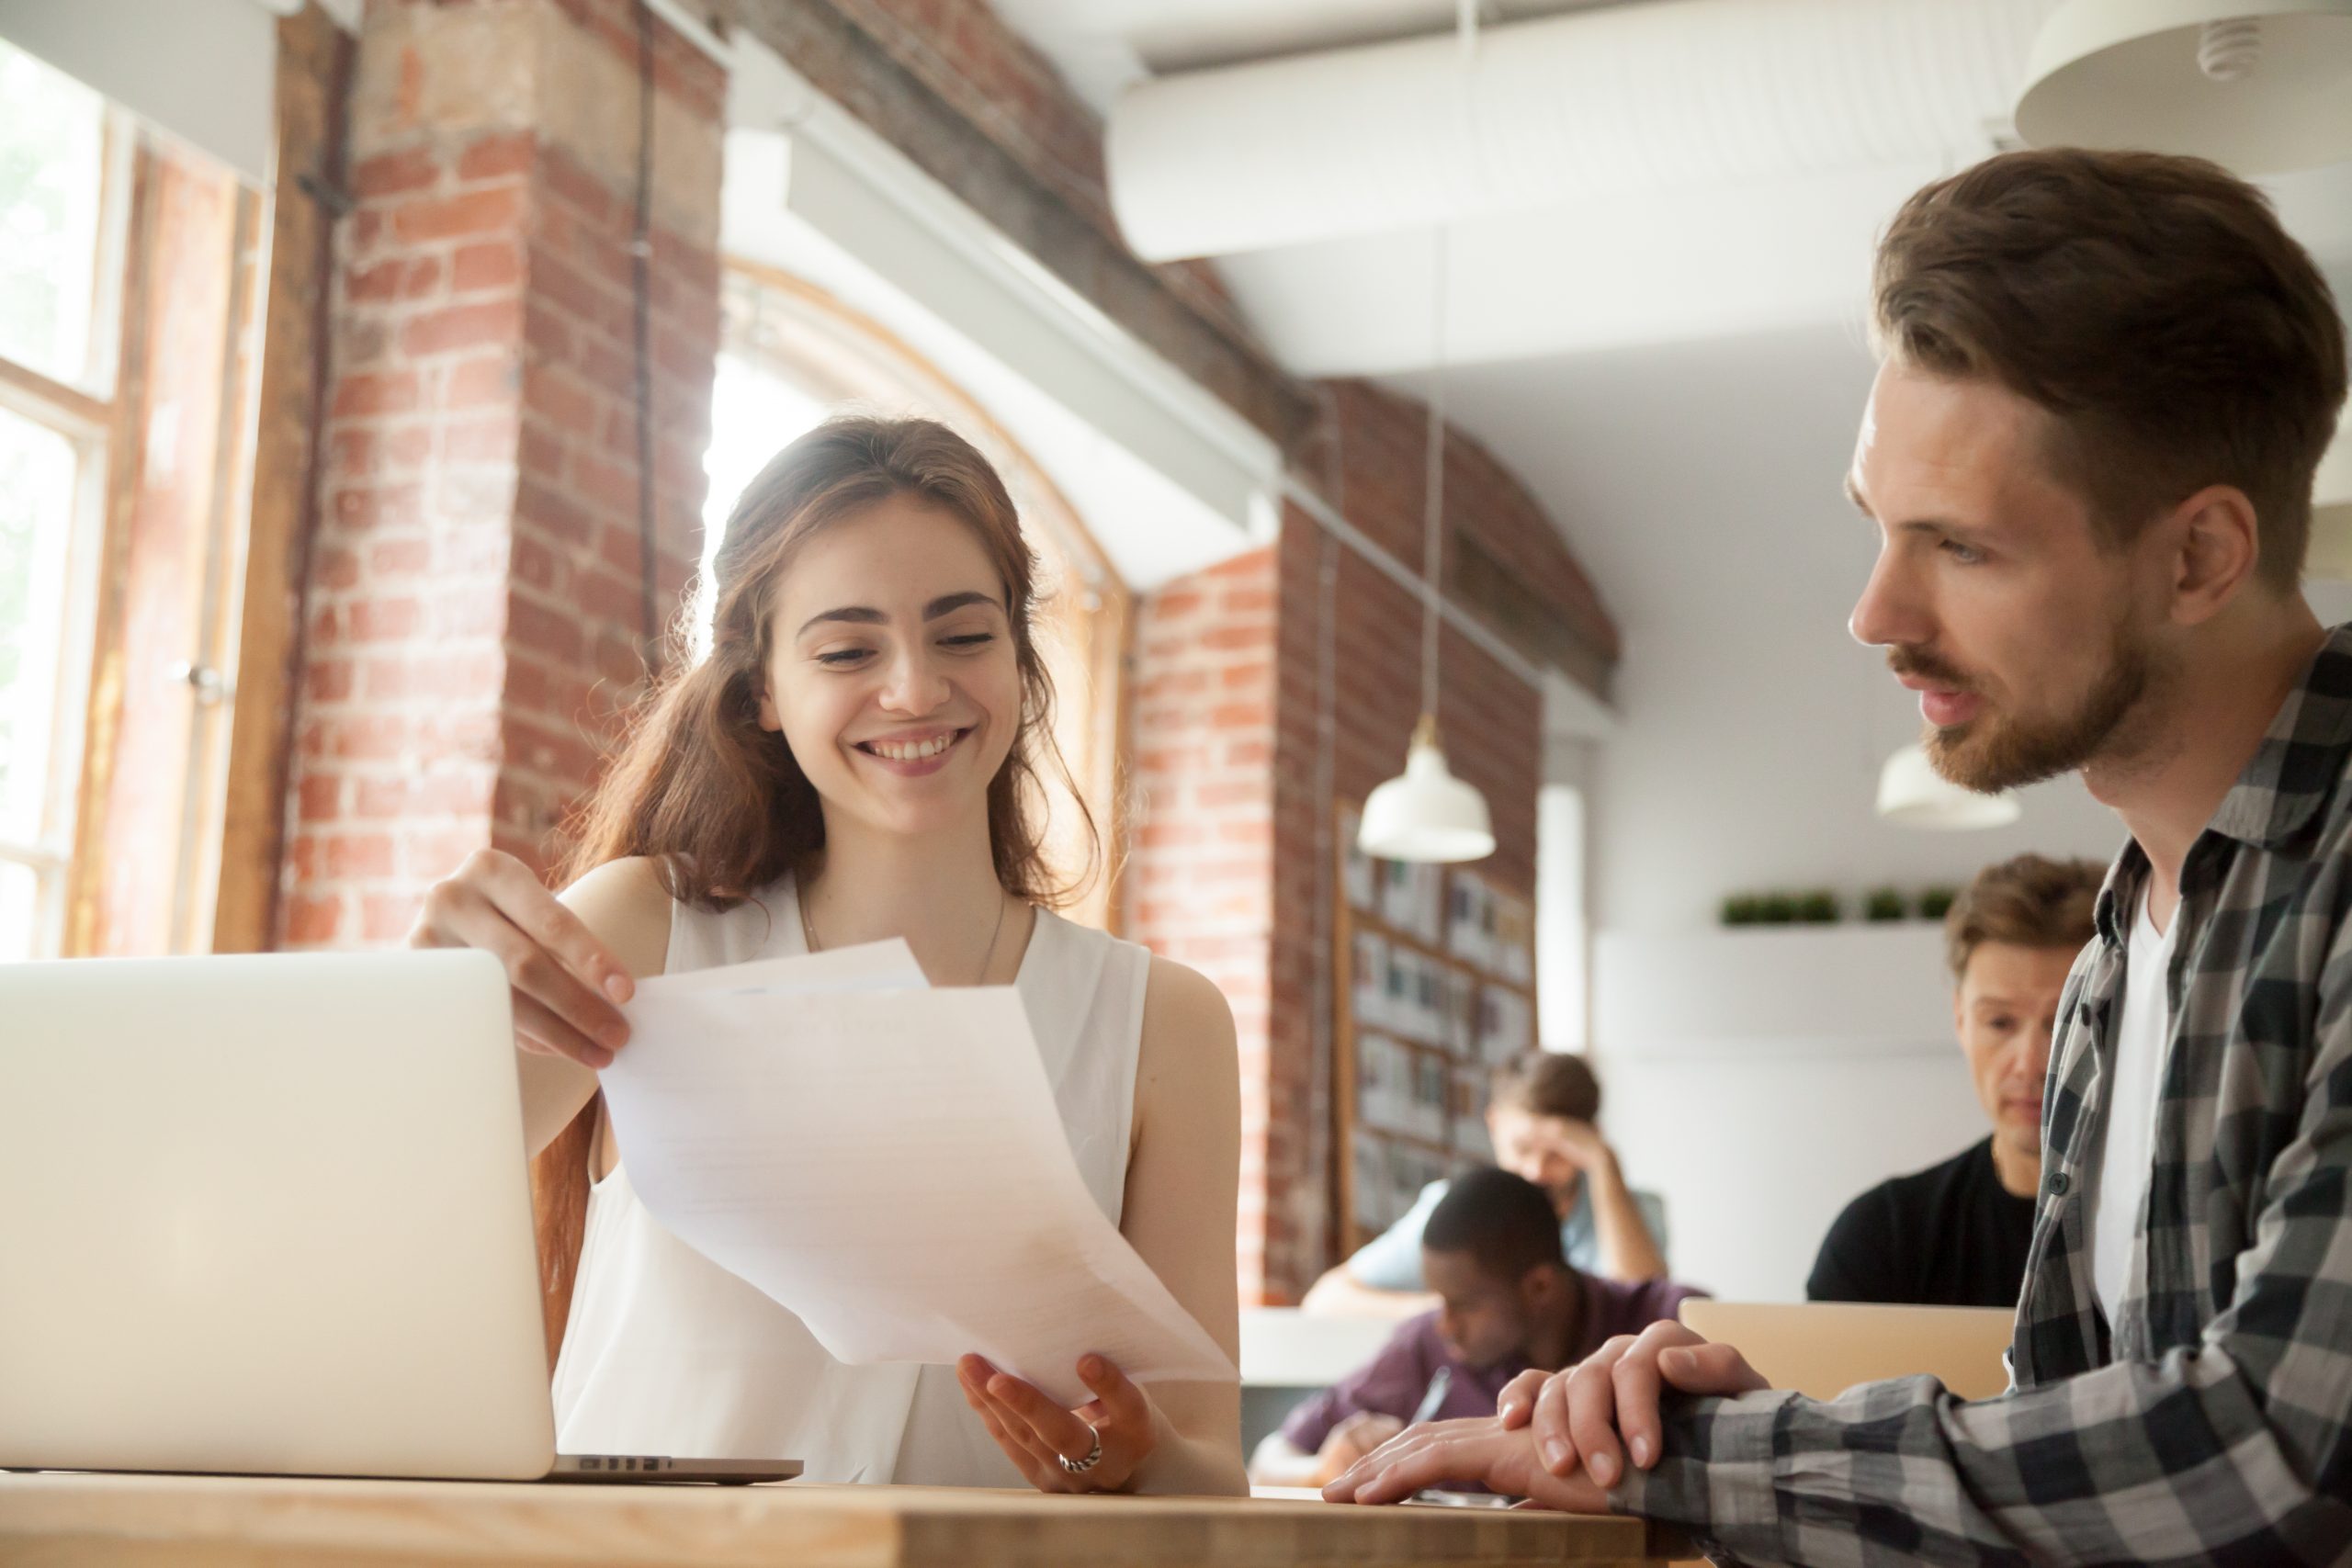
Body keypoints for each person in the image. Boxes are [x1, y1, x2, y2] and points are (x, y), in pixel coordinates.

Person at [1321, 148, 2352, 1563]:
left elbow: (2271, 1452)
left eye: (1961, 547)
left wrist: (1732, 1459)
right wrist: (1755, 1423)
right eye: (1877, 527)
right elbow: (2089, 1446)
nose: (1874, 613)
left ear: (2198, 558)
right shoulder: (2132, 931)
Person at [408, 416, 1245, 1495]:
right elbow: (377, 1205)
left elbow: (1206, 1472)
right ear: (763, 690)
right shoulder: (645, 934)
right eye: (848, 650)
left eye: (963, 635)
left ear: (1021, 658)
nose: (913, 690)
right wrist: (425, 1008)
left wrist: (1112, 1456)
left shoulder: (1159, 1023)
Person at [1250, 1168, 1701, 1488]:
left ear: (1539, 1286)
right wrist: (1321, 1470)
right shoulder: (1424, 1347)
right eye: (1437, 1301)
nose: (1445, 1324)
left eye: (1463, 1305)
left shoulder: (1666, 1319)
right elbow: (1268, 1458)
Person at [1807, 852, 2103, 1307]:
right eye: (2000, 1023)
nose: (2031, 1064)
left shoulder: (2174, 1224)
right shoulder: (1882, 1236)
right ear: (1961, 1020)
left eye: (2067, 1026)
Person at [1303, 1052, 1668, 1319]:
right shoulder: (1455, 1209)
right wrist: (1447, 1308)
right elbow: (1326, 1300)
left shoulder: (1631, 1210)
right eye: (1522, 1149)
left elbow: (1643, 1311)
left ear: (1592, 1140)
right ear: (1494, 1126)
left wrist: (1605, 1165)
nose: (1536, 1170)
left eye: (1558, 1153)